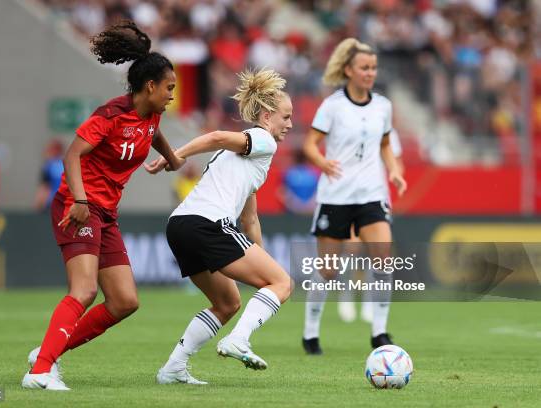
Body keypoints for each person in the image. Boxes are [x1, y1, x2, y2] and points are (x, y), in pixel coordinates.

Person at [22, 20, 184, 391]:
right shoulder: (110, 115)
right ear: (150, 86)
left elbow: (152, 133)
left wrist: (172, 158)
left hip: (106, 212)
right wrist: (79, 199)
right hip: (77, 205)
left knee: (125, 300)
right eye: (169, 88)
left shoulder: (152, 114)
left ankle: (48, 351)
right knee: (83, 290)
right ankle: (40, 371)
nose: (172, 95)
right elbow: (72, 155)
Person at [146, 69, 293, 385]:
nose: (290, 124)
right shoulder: (263, 139)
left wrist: (260, 261)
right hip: (207, 224)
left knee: (228, 302)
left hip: (180, 225)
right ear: (267, 117)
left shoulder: (247, 157)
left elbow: (249, 218)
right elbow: (214, 136)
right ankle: (238, 340)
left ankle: (173, 368)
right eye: (286, 116)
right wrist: (175, 157)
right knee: (283, 284)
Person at [300, 38, 407, 355]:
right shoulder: (333, 105)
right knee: (329, 269)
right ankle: (310, 333)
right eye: (364, 67)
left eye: (373, 67)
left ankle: (379, 332)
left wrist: (395, 171)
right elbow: (309, 144)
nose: (370, 73)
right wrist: (321, 162)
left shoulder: (383, 107)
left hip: (371, 194)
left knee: (383, 259)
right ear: (348, 70)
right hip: (336, 196)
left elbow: (386, 145)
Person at [335, 130, 405, 324]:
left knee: (376, 253)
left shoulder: (388, 131)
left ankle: (369, 302)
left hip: (377, 197)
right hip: (351, 195)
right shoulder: (350, 126)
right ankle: (346, 296)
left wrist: (395, 173)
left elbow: (397, 163)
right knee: (351, 247)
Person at [34, 139, 65, 211]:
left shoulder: (49, 165)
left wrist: (38, 205)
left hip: (52, 203)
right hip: (65, 203)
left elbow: (44, 187)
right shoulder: (68, 163)